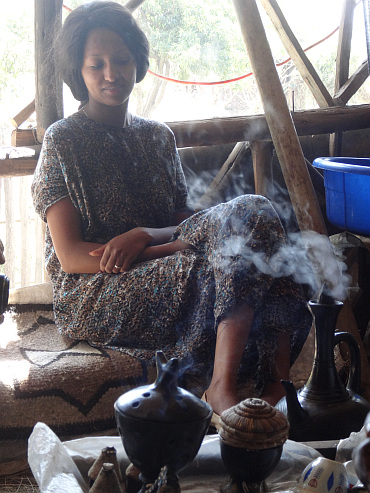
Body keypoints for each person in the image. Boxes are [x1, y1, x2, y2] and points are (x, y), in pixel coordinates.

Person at [31, 1, 311, 424]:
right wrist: (174, 248)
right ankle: (222, 388)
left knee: (269, 248)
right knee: (234, 246)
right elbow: (71, 256)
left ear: (137, 61)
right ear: (79, 71)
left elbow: (183, 222)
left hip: (163, 259)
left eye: (121, 60)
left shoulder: (157, 138)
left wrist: (145, 232)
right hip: (95, 289)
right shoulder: (62, 142)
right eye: (97, 65)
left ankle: (274, 390)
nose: (112, 74)